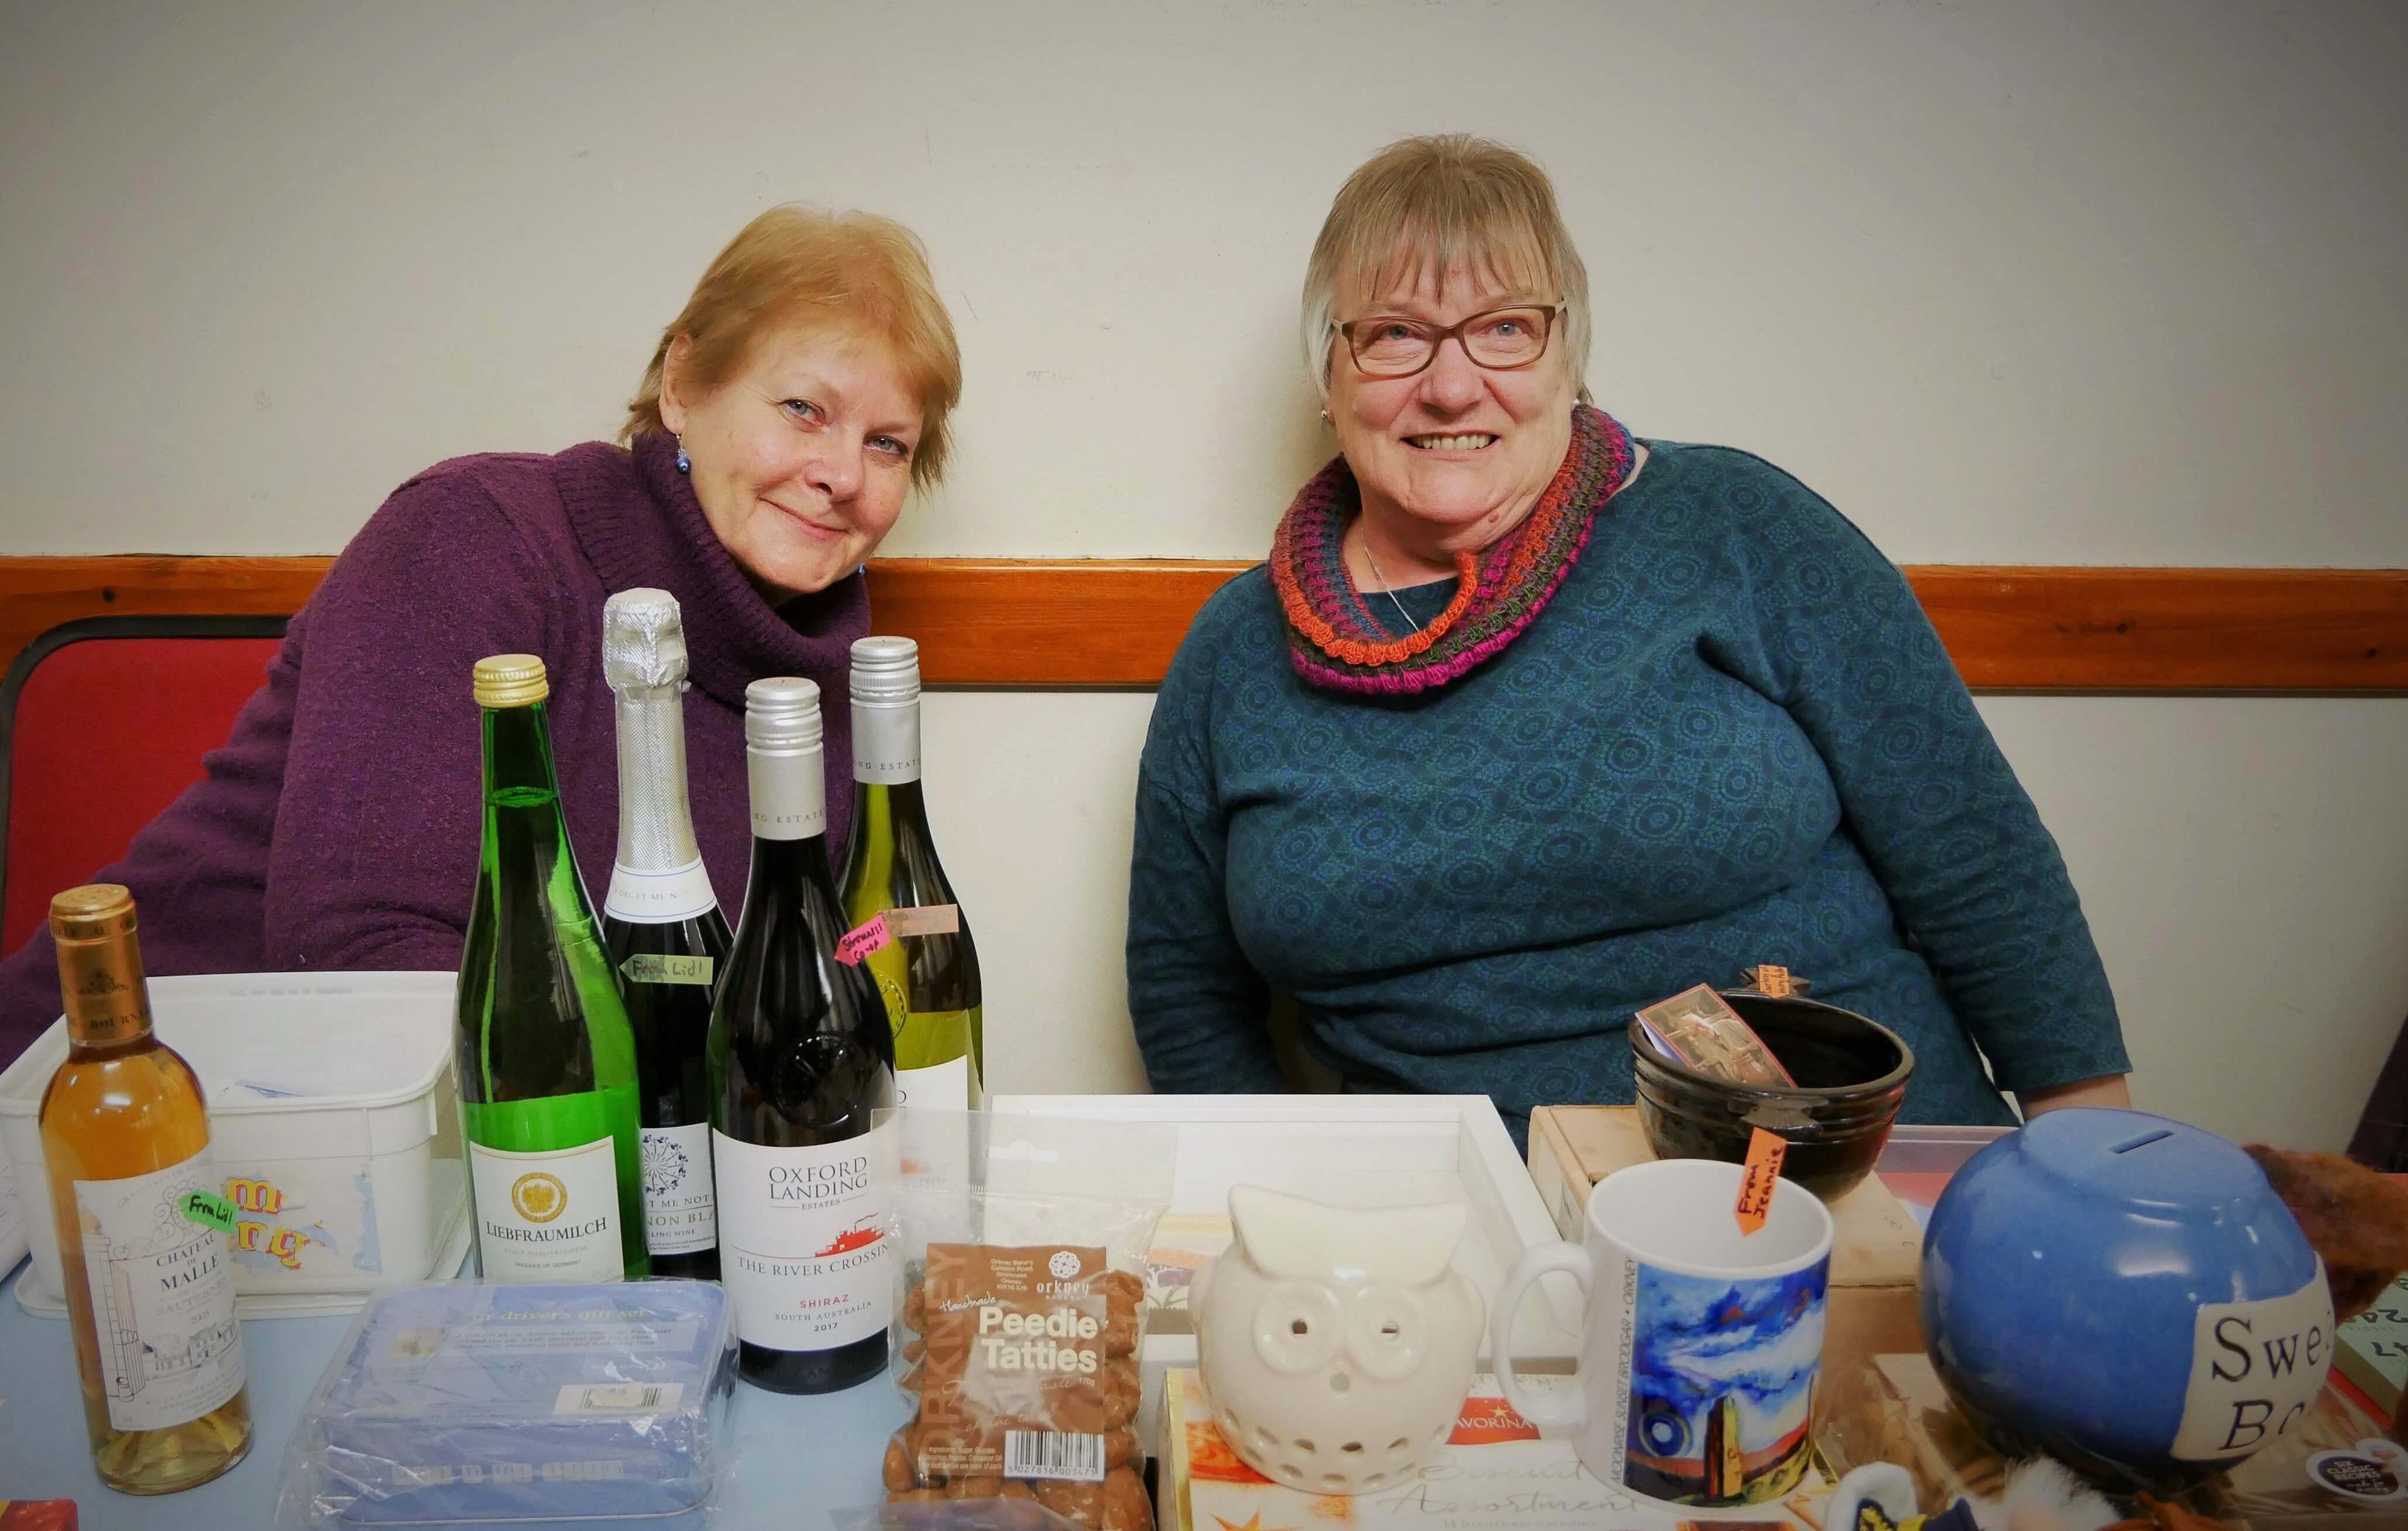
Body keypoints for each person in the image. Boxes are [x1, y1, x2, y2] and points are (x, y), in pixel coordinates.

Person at [1126, 135, 2131, 1146]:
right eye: (1394, 335)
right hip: (1479, 1220)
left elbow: (1977, 854)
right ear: (1328, 372)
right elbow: (1185, 991)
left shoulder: (1735, 527)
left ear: (1570, 357)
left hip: (1835, 1165)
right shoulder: (1237, 653)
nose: (1450, 384)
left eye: (1506, 328)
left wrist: (2092, 1161)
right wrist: (1281, 1194)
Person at [0, 204, 961, 1064]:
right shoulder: (475, 536)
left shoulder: (822, 661)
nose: (842, 472)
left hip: (504, 1169)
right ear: (682, 383)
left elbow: (808, 963)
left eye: (888, 443)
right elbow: (369, 955)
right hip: (138, 1112)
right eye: (803, 408)